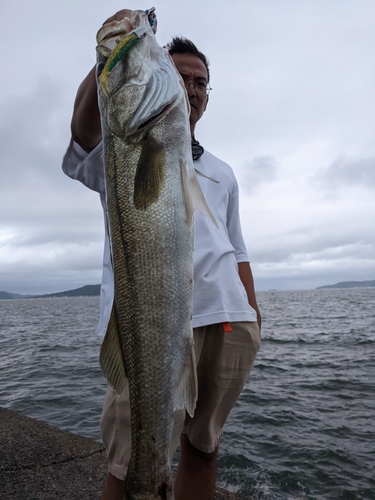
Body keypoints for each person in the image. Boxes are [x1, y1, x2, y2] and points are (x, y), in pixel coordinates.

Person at [62, 9, 261, 500]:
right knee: (132, 464)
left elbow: (237, 248)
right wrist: (113, 55)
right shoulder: (123, 143)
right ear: (162, 78)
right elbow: (83, 130)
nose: (192, 87)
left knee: (204, 448)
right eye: (180, 75)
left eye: (201, 82)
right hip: (151, 322)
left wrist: (253, 312)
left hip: (229, 321)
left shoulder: (224, 171)